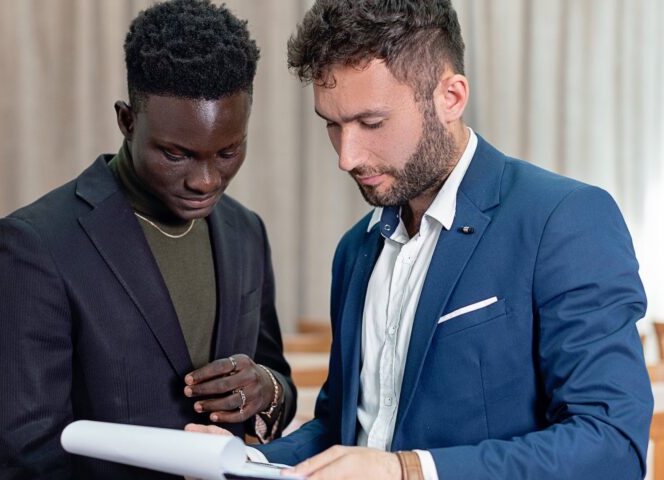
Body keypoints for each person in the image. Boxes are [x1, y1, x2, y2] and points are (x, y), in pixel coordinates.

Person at [214, 1, 652, 478]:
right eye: (333, 125)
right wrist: (242, 460)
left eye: (371, 122)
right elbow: (343, 429)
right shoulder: (355, 250)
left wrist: (407, 471)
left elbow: (611, 445)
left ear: (451, 96)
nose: (347, 156)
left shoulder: (564, 220)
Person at [0, 1, 296, 478]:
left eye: (228, 151)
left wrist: (266, 389)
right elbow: (24, 459)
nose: (206, 181)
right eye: (177, 154)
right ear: (127, 121)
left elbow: (277, 383)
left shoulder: (246, 231)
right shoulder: (33, 245)